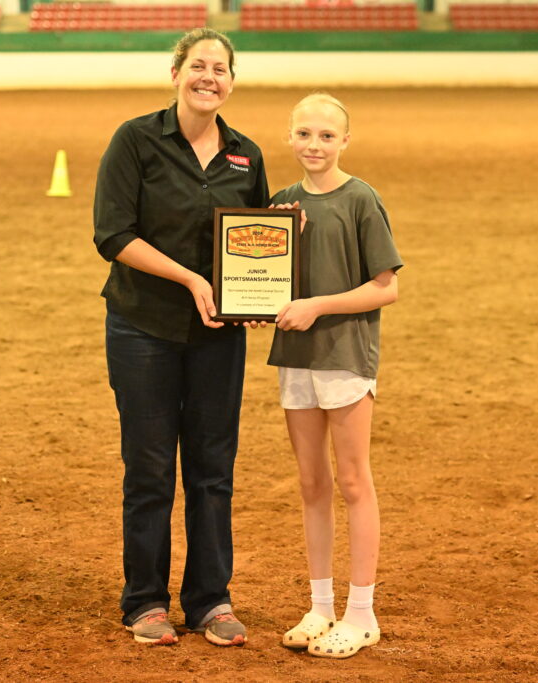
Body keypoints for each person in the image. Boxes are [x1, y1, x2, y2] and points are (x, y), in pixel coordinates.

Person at [92, 28, 269, 648]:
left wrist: (259, 294)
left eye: (220, 69)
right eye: (198, 66)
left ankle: (210, 600)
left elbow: (257, 240)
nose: (208, 78)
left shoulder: (246, 154)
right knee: (148, 469)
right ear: (175, 73)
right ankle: (145, 601)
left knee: (212, 469)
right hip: (143, 327)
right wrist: (191, 277)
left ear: (231, 81)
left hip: (218, 339)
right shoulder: (135, 140)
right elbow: (112, 234)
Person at [268, 93, 403, 659]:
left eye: (326, 136)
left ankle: (361, 612)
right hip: (295, 357)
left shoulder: (361, 199)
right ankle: (321, 605)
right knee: (311, 485)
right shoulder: (280, 204)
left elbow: (386, 286)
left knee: (352, 481)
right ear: (290, 138)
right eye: (304, 134)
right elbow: (264, 280)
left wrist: (317, 306)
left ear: (345, 141)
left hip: (346, 355)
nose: (314, 145)